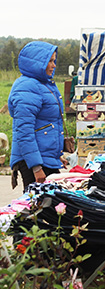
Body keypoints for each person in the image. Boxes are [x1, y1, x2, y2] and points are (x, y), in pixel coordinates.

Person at [9, 41, 68, 190]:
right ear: (38, 62)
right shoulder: (27, 87)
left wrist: (56, 155)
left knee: (52, 203)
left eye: (54, 61)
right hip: (32, 161)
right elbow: (24, 131)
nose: (54, 65)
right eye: (50, 61)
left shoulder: (43, 85)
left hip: (43, 157)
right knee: (38, 206)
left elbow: (46, 125)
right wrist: (35, 167)